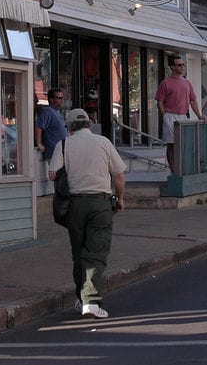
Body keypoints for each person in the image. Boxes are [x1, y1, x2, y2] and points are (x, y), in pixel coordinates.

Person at [48, 108, 126, 319]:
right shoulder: (103, 142)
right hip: (100, 204)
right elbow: (118, 175)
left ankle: (82, 298)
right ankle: (90, 301)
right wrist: (119, 198)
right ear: (89, 125)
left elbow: (52, 174)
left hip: (74, 205)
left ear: (69, 127)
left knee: (79, 253)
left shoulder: (63, 144)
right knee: (96, 253)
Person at [154, 56, 203, 173]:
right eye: (179, 65)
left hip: (183, 116)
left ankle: (183, 169)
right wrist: (164, 115)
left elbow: (193, 101)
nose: (182, 67)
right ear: (172, 67)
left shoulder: (187, 83)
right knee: (171, 145)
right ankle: (174, 171)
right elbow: (159, 101)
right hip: (170, 115)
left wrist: (199, 116)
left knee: (184, 144)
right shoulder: (165, 83)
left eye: (182, 65)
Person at [34, 88, 67, 160]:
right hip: (53, 152)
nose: (62, 100)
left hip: (61, 152)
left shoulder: (57, 112)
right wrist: (39, 143)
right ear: (51, 100)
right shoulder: (47, 112)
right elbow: (39, 127)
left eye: (62, 97)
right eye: (59, 98)